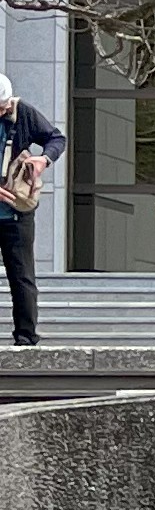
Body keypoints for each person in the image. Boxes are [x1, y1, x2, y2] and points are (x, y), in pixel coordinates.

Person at [0, 71, 61, 345]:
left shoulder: (22, 113)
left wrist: (43, 160)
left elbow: (56, 138)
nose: (3, 111)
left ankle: (25, 337)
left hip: (16, 212)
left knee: (22, 276)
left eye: (4, 107)